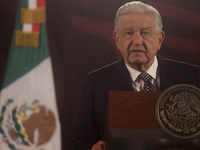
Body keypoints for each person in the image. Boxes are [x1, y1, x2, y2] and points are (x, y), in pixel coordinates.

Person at [72, 1, 200, 150]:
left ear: (159, 39)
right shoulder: (96, 82)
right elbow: (79, 143)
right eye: (128, 33)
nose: (137, 41)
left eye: (145, 33)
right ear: (117, 39)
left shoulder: (191, 76)